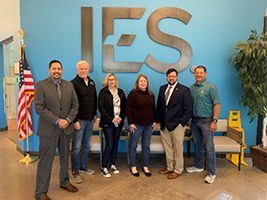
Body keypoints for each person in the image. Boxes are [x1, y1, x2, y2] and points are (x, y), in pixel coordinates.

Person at [34, 60, 79, 200]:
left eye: (59, 68)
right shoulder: (41, 85)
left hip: (66, 129)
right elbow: (39, 107)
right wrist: (57, 120)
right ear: (49, 70)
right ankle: (41, 192)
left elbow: (75, 105)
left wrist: (68, 120)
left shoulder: (69, 85)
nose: (56, 71)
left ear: (62, 71)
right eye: (54, 68)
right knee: (45, 161)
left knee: (65, 158)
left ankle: (64, 182)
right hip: (48, 130)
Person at [186, 65, 220, 184]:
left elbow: (217, 104)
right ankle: (198, 166)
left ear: (205, 74)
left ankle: (211, 173)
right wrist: (189, 120)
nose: (199, 75)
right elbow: (190, 105)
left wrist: (214, 121)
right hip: (195, 121)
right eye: (197, 73)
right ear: (194, 74)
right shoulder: (192, 88)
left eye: (201, 73)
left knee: (209, 147)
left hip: (207, 121)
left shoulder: (211, 87)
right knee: (197, 144)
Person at [157, 68, 193, 179]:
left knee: (178, 148)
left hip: (177, 124)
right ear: (167, 77)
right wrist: (159, 120)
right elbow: (159, 106)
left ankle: (178, 169)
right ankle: (169, 167)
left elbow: (189, 109)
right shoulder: (162, 88)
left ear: (177, 77)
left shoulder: (184, 90)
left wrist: (182, 123)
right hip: (164, 124)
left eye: (173, 76)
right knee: (168, 147)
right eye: (169, 76)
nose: (171, 78)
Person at [70, 61, 97, 183]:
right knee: (76, 147)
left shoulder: (91, 82)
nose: (84, 70)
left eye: (85, 68)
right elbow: (71, 104)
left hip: (90, 120)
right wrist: (74, 120)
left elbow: (94, 99)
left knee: (86, 145)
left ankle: (83, 166)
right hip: (79, 120)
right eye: (81, 69)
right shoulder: (73, 84)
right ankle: (75, 170)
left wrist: (95, 114)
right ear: (77, 70)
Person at [126, 74, 156, 177]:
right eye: (141, 81)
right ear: (137, 83)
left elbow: (153, 109)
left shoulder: (151, 94)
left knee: (146, 146)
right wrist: (131, 123)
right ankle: (133, 166)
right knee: (133, 145)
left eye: (145, 81)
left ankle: (145, 166)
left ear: (147, 83)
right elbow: (128, 109)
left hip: (148, 125)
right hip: (137, 125)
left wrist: (154, 121)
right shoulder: (133, 93)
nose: (143, 83)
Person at [98, 73, 126, 178]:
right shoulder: (103, 92)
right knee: (109, 143)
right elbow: (101, 108)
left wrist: (120, 118)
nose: (111, 81)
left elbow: (124, 107)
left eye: (113, 79)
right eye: (109, 80)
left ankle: (113, 164)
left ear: (115, 81)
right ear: (106, 81)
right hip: (107, 122)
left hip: (118, 122)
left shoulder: (121, 92)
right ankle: (104, 166)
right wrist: (111, 119)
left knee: (115, 143)